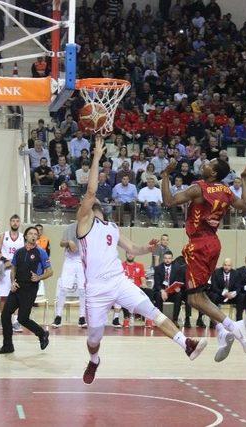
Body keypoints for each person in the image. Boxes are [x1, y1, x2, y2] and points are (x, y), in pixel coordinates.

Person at [76, 136, 207, 385]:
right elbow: (91, 191)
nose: (90, 203)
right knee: (93, 338)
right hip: (96, 288)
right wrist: (96, 156)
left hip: (118, 281)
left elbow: (132, 249)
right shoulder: (83, 224)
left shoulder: (111, 227)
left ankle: (186, 345)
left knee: (152, 311)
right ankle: (94, 361)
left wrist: (147, 248)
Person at [160, 155, 246, 363]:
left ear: (214, 173)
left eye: (209, 164)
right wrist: (244, 180)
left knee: (194, 298)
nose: (205, 164)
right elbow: (245, 205)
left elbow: (168, 201)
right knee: (195, 296)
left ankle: (232, 326)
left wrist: (165, 175)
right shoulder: (226, 191)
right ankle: (221, 330)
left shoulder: (199, 188)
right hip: (213, 244)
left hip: (199, 244)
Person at [0, 226, 52, 354]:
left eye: (35, 234)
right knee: (5, 315)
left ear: (37, 237)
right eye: (30, 233)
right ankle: (8, 346)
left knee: (22, 318)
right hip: (17, 288)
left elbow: (50, 271)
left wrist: (39, 277)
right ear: (25, 236)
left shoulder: (41, 252)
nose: (33, 236)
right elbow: (13, 268)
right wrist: (13, 282)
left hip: (30, 288)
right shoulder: (19, 252)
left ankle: (42, 334)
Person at [0, 214, 25, 331]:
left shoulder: (23, 237)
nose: (15, 223)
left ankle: (16, 321)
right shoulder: (3, 236)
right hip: (6, 268)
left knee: (17, 296)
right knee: (4, 296)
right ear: (10, 222)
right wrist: (6, 260)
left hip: (18, 269)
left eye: (17, 221)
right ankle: (3, 319)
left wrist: (17, 262)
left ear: (20, 223)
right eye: (13, 221)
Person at [52, 222, 87, 329]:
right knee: (63, 288)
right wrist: (69, 242)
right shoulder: (70, 227)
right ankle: (58, 316)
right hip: (70, 260)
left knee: (83, 289)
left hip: (82, 260)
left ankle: (82, 317)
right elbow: (61, 243)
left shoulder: (88, 227)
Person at [153, 251, 185, 324]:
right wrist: (162, 291)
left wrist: (178, 288)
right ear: (163, 259)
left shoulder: (177, 268)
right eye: (166, 258)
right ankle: (160, 319)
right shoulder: (158, 268)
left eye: (169, 258)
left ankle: (175, 319)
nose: (167, 260)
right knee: (158, 295)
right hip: (161, 291)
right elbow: (157, 283)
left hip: (172, 292)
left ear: (172, 259)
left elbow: (179, 281)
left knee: (179, 294)